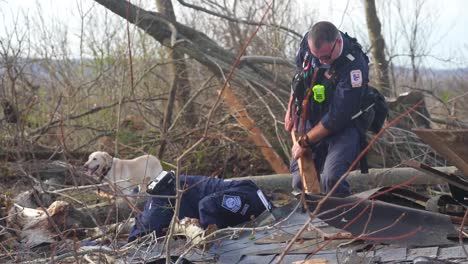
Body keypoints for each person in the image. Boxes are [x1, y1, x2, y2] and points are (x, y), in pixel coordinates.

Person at [284, 21, 374, 197]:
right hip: (312, 118)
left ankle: (343, 220)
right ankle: (309, 220)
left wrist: (304, 142)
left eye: (325, 57)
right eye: (315, 56)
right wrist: (291, 109)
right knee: (299, 181)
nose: (320, 61)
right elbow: (298, 78)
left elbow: (337, 117)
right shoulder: (307, 44)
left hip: (343, 126)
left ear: (338, 43)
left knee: (332, 179)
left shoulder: (354, 65)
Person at [128, 171, 272, 242]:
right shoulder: (156, 209)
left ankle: (215, 242)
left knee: (206, 206)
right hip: (245, 194)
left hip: (248, 195)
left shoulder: (155, 214)